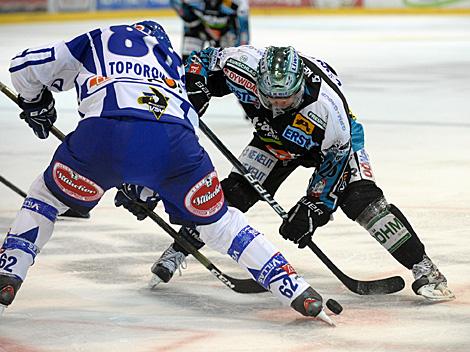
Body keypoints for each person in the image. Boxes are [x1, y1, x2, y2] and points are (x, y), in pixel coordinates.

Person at [0, 22, 334, 324]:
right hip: (177, 147)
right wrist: (145, 189)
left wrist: (36, 104)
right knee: (221, 223)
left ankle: (9, 271)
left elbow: (23, 67)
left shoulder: (96, 38)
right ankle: (295, 289)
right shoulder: (170, 61)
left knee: (45, 198)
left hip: (102, 138)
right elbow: (177, 131)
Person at [149, 45, 455, 302]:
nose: (279, 104)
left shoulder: (328, 110)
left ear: (301, 86)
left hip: (332, 149)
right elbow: (201, 61)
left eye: (287, 99)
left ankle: (424, 268)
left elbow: (335, 161)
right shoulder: (242, 65)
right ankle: (179, 250)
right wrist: (196, 88)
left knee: (363, 202)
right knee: (231, 197)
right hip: (273, 141)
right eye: (272, 98)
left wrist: (314, 205)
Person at [170, 0, 249, 61]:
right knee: (189, 61)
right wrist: (198, 24)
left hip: (225, 32)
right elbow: (176, 4)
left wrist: (240, 51)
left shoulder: (238, 3)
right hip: (197, 28)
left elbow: (243, 31)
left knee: (228, 63)